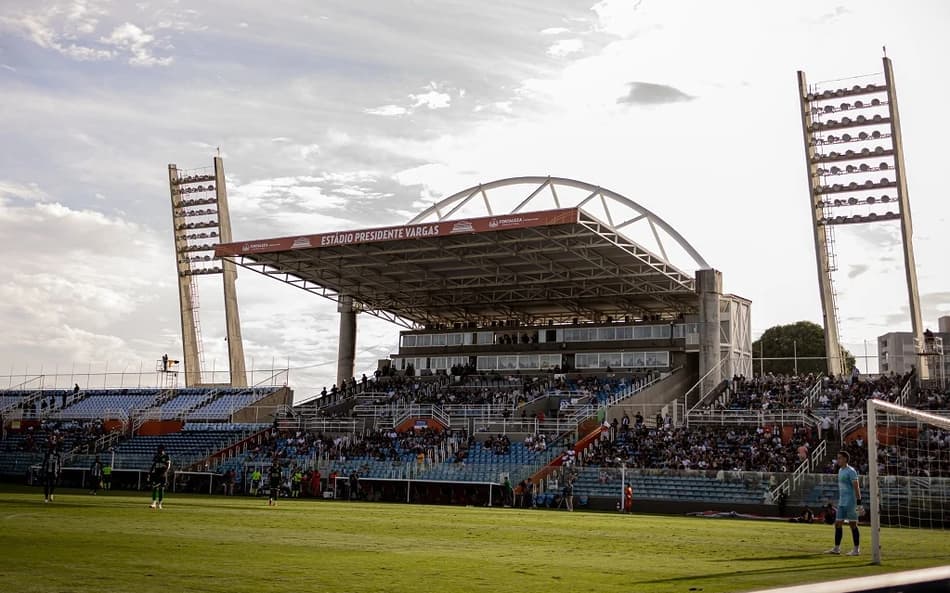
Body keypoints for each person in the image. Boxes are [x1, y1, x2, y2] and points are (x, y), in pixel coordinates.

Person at [826, 451, 862, 556]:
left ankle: (856, 549)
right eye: (837, 458)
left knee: (853, 525)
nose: (838, 460)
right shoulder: (840, 470)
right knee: (837, 524)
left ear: (845, 459)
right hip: (842, 502)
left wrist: (859, 503)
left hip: (851, 502)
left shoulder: (851, 471)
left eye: (840, 458)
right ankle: (836, 548)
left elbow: (856, 487)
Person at [148, 445, 171, 509]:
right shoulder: (156, 456)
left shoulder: (166, 456)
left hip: (163, 474)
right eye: (158, 449)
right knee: (154, 487)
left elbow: (168, 465)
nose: (158, 450)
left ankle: (160, 504)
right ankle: (154, 503)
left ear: (162, 449)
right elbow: (153, 465)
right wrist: (150, 472)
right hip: (156, 474)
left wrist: (165, 472)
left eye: (159, 449)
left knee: (161, 489)